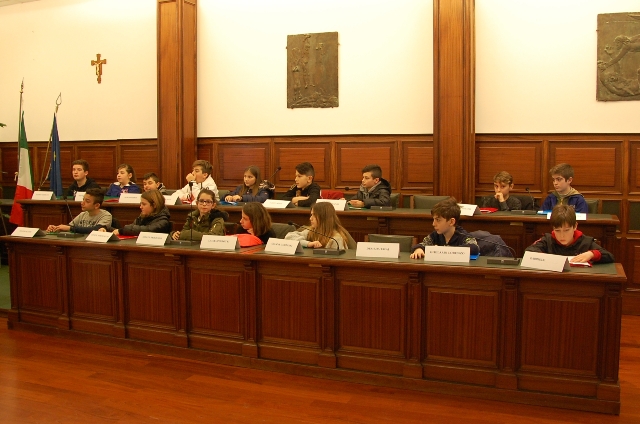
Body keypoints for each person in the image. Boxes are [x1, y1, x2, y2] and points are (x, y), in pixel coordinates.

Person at [525, 204, 614, 263]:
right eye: (557, 230)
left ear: (575, 226)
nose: (562, 235)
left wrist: (591, 254)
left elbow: (609, 256)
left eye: (566, 230)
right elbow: (529, 251)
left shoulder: (585, 241)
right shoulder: (547, 240)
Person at [410, 197, 480, 259]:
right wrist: (418, 249)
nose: (433, 224)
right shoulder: (435, 235)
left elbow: (474, 248)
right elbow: (421, 245)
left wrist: (444, 250)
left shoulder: (462, 235)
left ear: (451, 222)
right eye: (434, 219)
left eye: (438, 220)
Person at [285, 202, 349, 249]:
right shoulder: (312, 231)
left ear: (324, 217)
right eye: (311, 215)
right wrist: (308, 244)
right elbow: (288, 237)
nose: (310, 218)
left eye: (314, 215)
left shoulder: (336, 239)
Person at [47, 188, 112, 234]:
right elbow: (69, 226)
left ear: (97, 205)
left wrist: (69, 228)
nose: (82, 203)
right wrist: (57, 228)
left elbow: (97, 229)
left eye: (87, 201)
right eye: (83, 199)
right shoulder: (83, 214)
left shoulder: (106, 215)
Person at [106, 189, 171, 235]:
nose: (140, 207)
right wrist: (107, 228)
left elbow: (148, 230)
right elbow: (132, 227)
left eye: (144, 204)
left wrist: (122, 230)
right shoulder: (143, 216)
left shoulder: (163, 221)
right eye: (140, 204)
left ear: (154, 205)